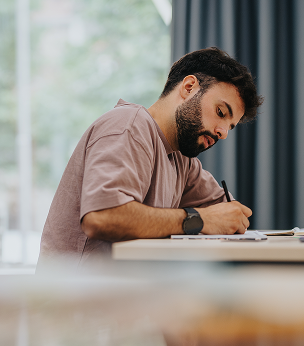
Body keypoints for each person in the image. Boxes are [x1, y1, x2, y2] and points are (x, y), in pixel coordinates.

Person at [38, 47, 263, 268]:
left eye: (230, 127)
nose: (223, 133)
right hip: (76, 298)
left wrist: (229, 216)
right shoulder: (128, 126)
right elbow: (102, 217)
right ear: (189, 87)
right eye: (221, 113)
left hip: (122, 296)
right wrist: (199, 219)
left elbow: (225, 211)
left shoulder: (182, 159)